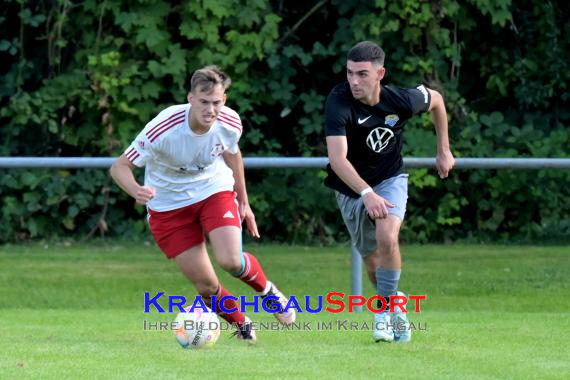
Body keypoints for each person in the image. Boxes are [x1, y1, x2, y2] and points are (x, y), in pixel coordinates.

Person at [110, 65, 295, 344]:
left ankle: (267, 291)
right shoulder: (164, 127)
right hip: (168, 207)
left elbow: (233, 155)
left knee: (231, 261)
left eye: (217, 102)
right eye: (205, 102)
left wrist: (244, 202)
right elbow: (120, 167)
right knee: (207, 286)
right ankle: (243, 324)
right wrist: (135, 189)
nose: (211, 109)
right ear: (191, 99)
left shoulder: (230, 123)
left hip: (213, 190)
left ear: (225, 100)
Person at [324, 41, 455, 343]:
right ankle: (396, 306)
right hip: (350, 188)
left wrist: (443, 150)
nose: (354, 81)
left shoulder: (402, 100)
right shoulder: (339, 101)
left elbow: (436, 100)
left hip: (390, 178)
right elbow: (337, 159)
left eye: (362, 74)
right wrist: (366, 193)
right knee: (373, 266)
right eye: (349, 73)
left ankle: (381, 313)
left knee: (388, 236)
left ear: (380, 73)